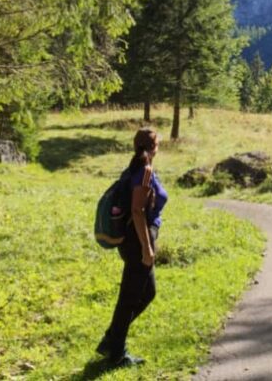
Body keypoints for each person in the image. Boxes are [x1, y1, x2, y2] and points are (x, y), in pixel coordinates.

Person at [97, 127, 169, 366]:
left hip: (134, 239)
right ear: (153, 147)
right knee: (129, 297)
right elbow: (137, 211)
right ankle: (116, 353)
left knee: (147, 293)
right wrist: (147, 248)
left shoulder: (135, 169)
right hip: (138, 240)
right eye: (158, 144)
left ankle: (112, 339)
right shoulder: (144, 171)